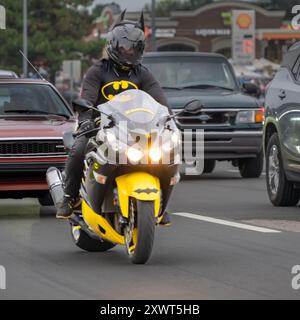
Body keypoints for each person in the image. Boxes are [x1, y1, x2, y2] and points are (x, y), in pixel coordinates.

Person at [56, 10, 172, 225]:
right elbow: (87, 98)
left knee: (166, 155)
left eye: (133, 48)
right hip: (101, 126)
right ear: (113, 45)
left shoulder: (142, 73)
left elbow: (160, 101)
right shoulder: (97, 71)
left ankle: (162, 204)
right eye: (124, 47)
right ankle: (69, 197)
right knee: (79, 148)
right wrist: (86, 120)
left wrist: (170, 119)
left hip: (135, 129)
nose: (128, 52)